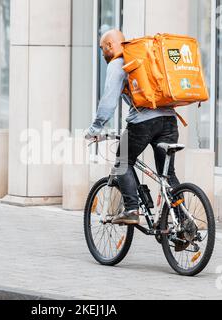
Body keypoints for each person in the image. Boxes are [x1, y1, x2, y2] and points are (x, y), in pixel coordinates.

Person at [85, 29, 180, 225]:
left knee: (122, 161)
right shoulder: (146, 57)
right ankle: (182, 224)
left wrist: (95, 128)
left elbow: (109, 101)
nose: (103, 54)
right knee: (168, 174)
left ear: (110, 45)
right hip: (170, 120)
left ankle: (131, 209)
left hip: (143, 123)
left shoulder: (118, 62)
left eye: (103, 49)